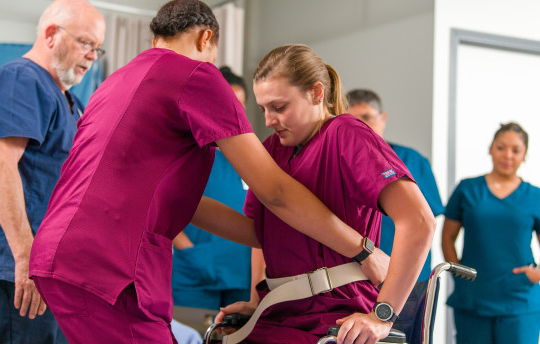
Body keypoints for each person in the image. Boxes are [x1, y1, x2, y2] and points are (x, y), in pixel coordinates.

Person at [29, 1, 396, 343]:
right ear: (207, 38)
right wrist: (365, 252)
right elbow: (276, 193)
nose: (270, 122)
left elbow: (223, 216)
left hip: (60, 252)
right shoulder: (196, 75)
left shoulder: (114, 83)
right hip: (108, 263)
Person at [216, 44, 435, 344]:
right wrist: (257, 303)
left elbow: (420, 221)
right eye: (263, 109)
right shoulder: (271, 150)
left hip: (338, 314)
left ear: (317, 93)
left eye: (279, 108)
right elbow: (260, 234)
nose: (268, 121)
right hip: (280, 311)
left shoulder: (346, 134)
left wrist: (382, 316)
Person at [0, 1, 105, 343]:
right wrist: (27, 261)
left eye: (97, 48)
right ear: (50, 35)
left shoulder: (70, 102)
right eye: (86, 43)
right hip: (24, 270)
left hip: (55, 269)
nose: (92, 56)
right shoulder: (20, 80)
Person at [442, 122, 540, 344]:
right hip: (473, 295)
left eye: (516, 150)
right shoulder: (467, 189)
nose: (507, 155)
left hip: (520, 299)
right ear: (490, 148)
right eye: (501, 147)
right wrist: (457, 271)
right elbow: (448, 237)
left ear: (525, 155)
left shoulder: (535, 196)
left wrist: (538, 273)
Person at [171, 66, 252, 310]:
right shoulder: (184, 152)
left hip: (241, 270)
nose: (234, 113)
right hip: (195, 268)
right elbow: (158, 202)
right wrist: (188, 249)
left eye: (240, 106)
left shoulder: (249, 154)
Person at [347, 89, 444, 283]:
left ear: (383, 118)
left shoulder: (412, 160)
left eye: (367, 117)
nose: (361, 126)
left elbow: (425, 220)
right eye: (352, 120)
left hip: (410, 276)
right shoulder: (339, 163)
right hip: (355, 275)